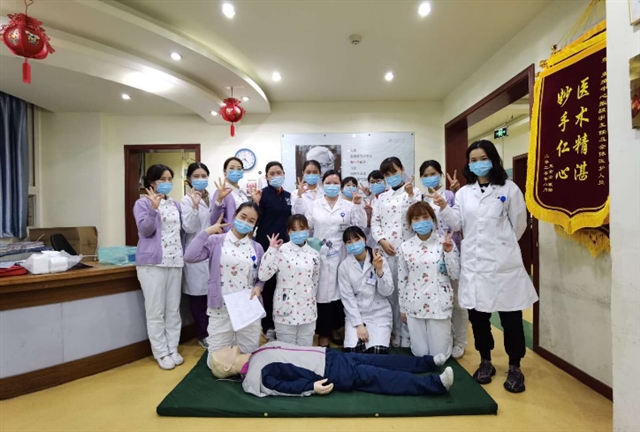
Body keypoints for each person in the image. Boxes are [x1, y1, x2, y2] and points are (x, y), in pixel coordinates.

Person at [433, 139, 539, 393]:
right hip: (475, 264)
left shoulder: (509, 189)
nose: (478, 164)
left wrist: (501, 246)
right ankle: (486, 361)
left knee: (511, 319)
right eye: (473, 160)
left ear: (493, 160)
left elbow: (519, 225)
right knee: (479, 318)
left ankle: (515, 366)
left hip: (503, 264)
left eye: (483, 158)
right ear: (468, 164)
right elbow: (457, 224)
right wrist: (444, 207)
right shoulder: (464, 193)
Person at [208, 341, 454, 398]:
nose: (224, 347)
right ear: (227, 366)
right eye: (221, 353)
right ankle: (436, 385)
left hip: (329, 355)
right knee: (382, 377)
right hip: (329, 372)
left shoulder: (257, 353)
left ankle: (428, 363)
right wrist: (310, 387)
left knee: (383, 361)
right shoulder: (254, 377)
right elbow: (281, 388)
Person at [295, 170, 366, 347]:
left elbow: (360, 227)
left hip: (342, 254)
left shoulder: (348, 205)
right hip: (319, 255)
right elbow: (306, 228)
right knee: (322, 294)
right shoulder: (315, 205)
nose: (332, 186)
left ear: (340, 186)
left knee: (341, 292)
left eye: (335, 183)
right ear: (323, 184)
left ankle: (336, 327)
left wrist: (358, 206)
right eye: (328, 182)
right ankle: (323, 332)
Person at [184, 202, 265, 355]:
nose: (246, 222)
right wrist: (207, 231)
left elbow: (261, 276)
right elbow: (190, 256)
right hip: (221, 307)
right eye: (243, 217)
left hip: (247, 307)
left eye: (251, 220)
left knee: (247, 355)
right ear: (235, 216)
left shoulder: (257, 248)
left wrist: (258, 287)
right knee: (217, 358)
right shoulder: (216, 241)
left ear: (255, 225)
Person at [134, 164, 184, 370]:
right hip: (152, 264)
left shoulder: (175, 204)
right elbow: (145, 231)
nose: (167, 183)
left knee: (173, 310)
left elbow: (181, 232)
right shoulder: (142, 203)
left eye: (170, 179)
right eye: (163, 179)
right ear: (152, 182)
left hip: (175, 261)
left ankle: (173, 347)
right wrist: (154, 209)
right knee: (156, 310)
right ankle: (161, 352)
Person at [398, 202, 460, 359]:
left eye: (425, 217)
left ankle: (449, 333)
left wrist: (449, 252)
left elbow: (455, 274)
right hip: (414, 303)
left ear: (433, 219)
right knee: (420, 355)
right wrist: (403, 307)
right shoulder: (405, 247)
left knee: (439, 356)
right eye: (416, 218)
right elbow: (402, 279)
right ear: (411, 223)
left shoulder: (444, 242)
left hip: (438, 303)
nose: (421, 222)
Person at [370, 157, 422, 348]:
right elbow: (375, 222)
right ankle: (394, 332)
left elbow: (417, 217)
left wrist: (410, 196)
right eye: (387, 174)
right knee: (389, 293)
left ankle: (408, 334)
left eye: (394, 172)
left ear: (402, 169)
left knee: (407, 292)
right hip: (387, 252)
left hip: (408, 251)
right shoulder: (382, 198)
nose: (391, 176)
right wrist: (382, 241)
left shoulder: (415, 192)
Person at [419, 159, 467, 359]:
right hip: (428, 255)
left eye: (433, 174)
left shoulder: (450, 195)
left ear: (440, 174)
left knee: (456, 300)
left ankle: (461, 341)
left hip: (450, 251)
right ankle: (445, 338)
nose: (430, 178)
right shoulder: (421, 198)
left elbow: (459, 222)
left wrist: (454, 192)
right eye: (425, 175)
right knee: (436, 298)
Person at [258, 215, 320, 346]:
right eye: (294, 229)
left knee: (305, 351)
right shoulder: (280, 251)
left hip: (307, 310)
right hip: (285, 309)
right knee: (286, 351)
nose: (298, 232)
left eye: (301, 228)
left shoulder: (314, 254)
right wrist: (271, 250)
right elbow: (263, 276)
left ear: (308, 229)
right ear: (288, 232)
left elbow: (315, 281)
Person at [338, 226, 393, 354]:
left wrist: (379, 270)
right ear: (345, 245)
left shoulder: (379, 259)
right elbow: (347, 298)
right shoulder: (344, 266)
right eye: (349, 242)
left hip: (379, 313)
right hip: (357, 313)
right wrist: (359, 324)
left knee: (377, 353)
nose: (354, 244)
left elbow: (387, 291)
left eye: (357, 239)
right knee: (353, 353)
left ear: (364, 239)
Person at [255, 162, 293, 342]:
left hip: (285, 248)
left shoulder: (288, 196)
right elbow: (254, 221)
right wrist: (255, 203)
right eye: (272, 173)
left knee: (284, 285)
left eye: (279, 172)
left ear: (284, 174)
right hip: (266, 246)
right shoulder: (262, 195)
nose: (276, 176)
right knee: (268, 287)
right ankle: (268, 325)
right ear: (266, 177)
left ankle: (283, 323)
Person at [180, 162, 213, 349]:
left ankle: (213, 332)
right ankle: (203, 334)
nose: (201, 179)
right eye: (196, 176)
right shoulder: (186, 201)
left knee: (211, 295)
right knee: (198, 297)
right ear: (189, 179)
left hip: (211, 252)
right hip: (195, 252)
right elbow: (189, 227)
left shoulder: (211, 198)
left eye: (204, 176)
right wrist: (194, 206)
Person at [211, 157, 261, 231]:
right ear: (225, 171)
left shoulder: (242, 193)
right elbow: (214, 221)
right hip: (229, 234)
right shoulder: (221, 192)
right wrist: (219, 200)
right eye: (231, 168)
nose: (235, 171)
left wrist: (255, 202)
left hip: (244, 234)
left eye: (239, 169)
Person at [363, 170, 386, 248]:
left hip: (388, 237)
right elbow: (369, 225)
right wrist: (369, 215)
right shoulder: (372, 201)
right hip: (374, 240)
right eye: (372, 182)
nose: (375, 184)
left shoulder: (391, 198)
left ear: (385, 181)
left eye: (378, 181)